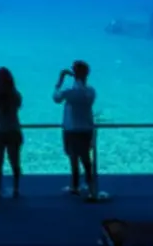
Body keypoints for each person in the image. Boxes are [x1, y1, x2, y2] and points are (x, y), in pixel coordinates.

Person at [53, 60, 104, 202]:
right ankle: (90, 186)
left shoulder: (69, 91)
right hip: (86, 129)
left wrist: (59, 81)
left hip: (71, 129)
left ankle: (75, 186)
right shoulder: (90, 91)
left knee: (73, 158)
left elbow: (56, 98)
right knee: (86, 158)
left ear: (74, 73)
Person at [0, 67, 23, 198]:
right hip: (14, 130)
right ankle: (16, 187)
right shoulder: (16, 95)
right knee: (15, 162)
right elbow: (17, 107)